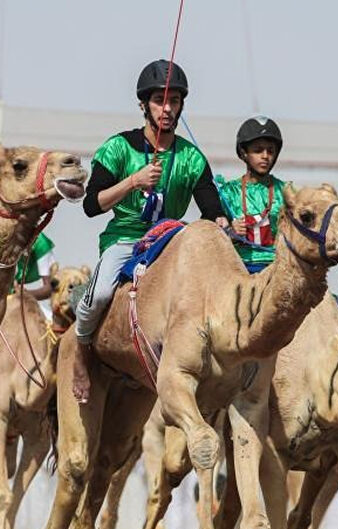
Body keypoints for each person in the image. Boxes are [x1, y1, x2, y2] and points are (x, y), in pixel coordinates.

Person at [73, 59, 227, 401]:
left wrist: (224, 223)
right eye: (160, 100)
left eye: (175, 101)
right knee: (98, 295)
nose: (167, 108)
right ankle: (81, 355)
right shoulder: (118, 147)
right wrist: (133, 181)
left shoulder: (192, 158)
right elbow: (90, 205)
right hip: (125, 240)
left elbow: (212, 210)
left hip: (170, 242)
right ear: (144, 104)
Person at [219, 115, 285, 273]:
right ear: (244, 153)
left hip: (276, 270)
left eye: (270, 151)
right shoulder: (227, 192)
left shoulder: (286, 192)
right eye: (258, 150)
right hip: (237, 269)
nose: (265, 156)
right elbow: (209, 237)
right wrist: (230, 233)